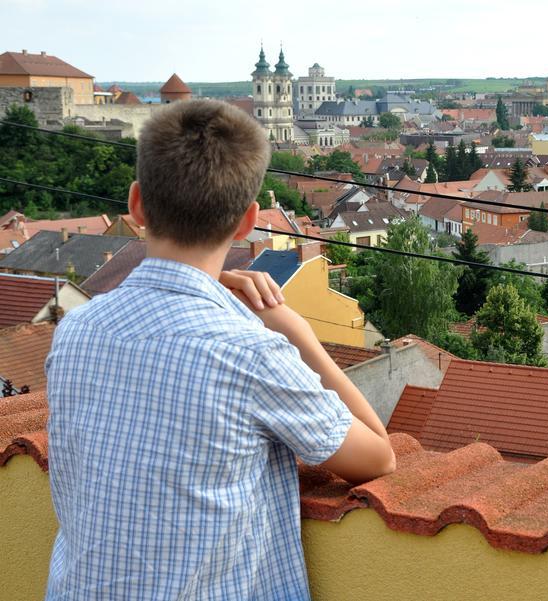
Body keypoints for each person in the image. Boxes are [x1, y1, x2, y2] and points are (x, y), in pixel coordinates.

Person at [45, 99, 395, 600]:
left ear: (137, 204)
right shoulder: (249, 351)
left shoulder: (75, 331)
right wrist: (293, 329)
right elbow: (378, 455)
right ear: (248, 221)